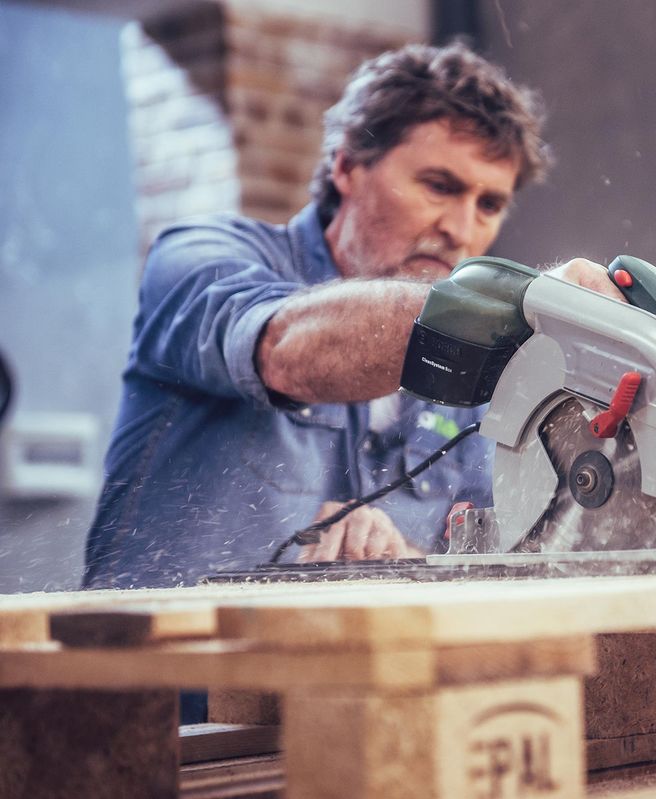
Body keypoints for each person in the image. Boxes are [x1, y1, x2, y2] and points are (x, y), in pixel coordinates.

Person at [83, 43, 620, 590]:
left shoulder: (477, 366)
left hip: (336, 672)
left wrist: (398, 561)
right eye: (440, 186)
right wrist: (519, 304)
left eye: (489, 204)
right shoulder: (198, 259)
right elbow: (286, 353)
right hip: (155, 667)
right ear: (345, 165)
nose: (462, 229)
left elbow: (484, 567)